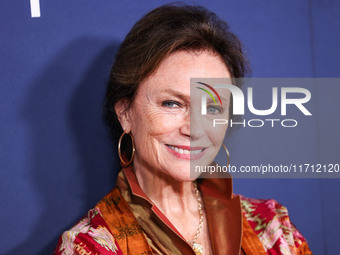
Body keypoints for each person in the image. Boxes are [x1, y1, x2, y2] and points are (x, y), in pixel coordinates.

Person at [54, 4, 312, 255]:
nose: (195, 129)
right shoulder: (89, 247)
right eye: (172, 103)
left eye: (212, 109)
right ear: (125, 112)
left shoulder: (275, 231)